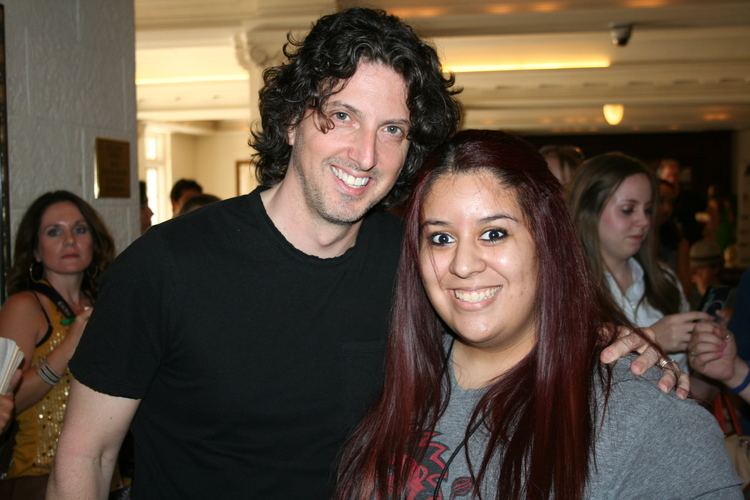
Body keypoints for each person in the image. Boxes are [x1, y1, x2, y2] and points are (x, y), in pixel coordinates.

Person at [49, 9, 675, 500]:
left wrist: (610, 341)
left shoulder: (415, 262)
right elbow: (87, 456)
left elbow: (509, 321)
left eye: (392, 129)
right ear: (293, 118)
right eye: (342, 115)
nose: (366, 154)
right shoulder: (166, 266)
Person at [336, 130, 740, 499]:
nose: (462, 264)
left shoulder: (647, 421)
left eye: (494, 233)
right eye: (441, 238)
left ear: (546, 242)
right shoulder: (388, 377)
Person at [0, 191, 114, 499]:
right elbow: (8, 399)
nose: (69, 240)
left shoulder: (105, 305)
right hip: (38, 478)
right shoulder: (24, 306)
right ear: (35, 251)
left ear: (94, 240)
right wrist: (67, 347)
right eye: (54, 231)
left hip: (105, 475)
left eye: (79, 229)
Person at [568, 153, 717, 375]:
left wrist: (710, 364)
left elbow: (689, 395)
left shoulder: (664, 278)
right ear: (589, 211)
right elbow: (572, 380)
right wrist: (652, 338)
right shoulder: (563, 287)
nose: (645, 221)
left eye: (648, 210)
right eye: (628, 209)